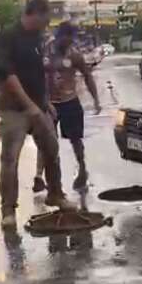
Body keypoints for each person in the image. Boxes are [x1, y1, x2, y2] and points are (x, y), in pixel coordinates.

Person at [0, 0, 77, 228]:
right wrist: (28, 106)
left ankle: (55, 194)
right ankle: (8, 211)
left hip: (39, 107)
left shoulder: (37, 39)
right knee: (10, 159)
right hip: (14, 108)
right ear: (34, 14)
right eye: (45, 19)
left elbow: (38, 73)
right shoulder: (7, 37)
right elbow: (9, 75)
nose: (46, 24)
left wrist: (45, 102)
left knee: (51, 149)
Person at [33, 21, 101, 192]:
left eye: (72, 39)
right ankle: (39, 176)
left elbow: (87, 75)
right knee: (46, 142)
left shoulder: (75, 54)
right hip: (49, 104)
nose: (69, 42)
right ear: (60, 36)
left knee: (76, 139)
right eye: (67, 38)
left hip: (70, 101)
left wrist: (96, 100)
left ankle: (82, 168)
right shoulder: (45, 50)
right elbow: (35, 76)